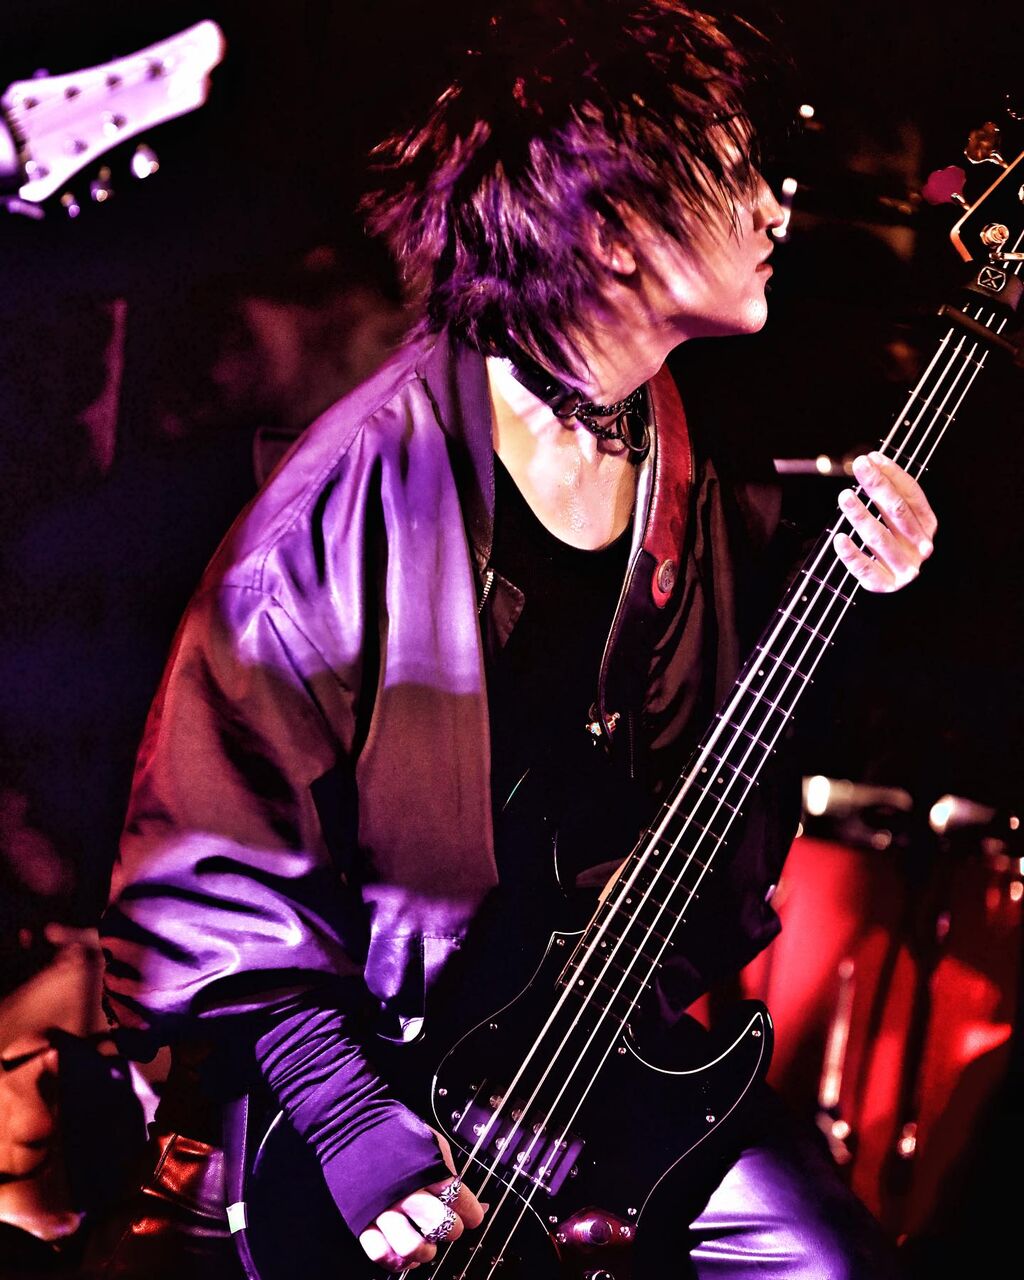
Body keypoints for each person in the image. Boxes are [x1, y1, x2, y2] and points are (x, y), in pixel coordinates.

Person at [89, 3, 938, 1277]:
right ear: (610, 231)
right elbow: (206, 861)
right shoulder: (339, 511)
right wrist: (347, 1115)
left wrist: (857, 591)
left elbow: (705, 777)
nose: (774, 208)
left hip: (583, 1054)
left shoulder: (679, 450)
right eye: (733, 176)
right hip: (381, 1089)